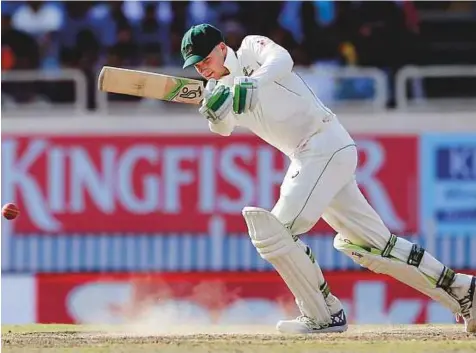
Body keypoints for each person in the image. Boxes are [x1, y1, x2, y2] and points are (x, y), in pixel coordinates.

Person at [180, 23, 476, 334]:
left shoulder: (252, 48)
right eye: (195, 65)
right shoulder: (218, 90)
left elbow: (283, 61)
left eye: (205, 59)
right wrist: (214, 115)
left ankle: (323, 314)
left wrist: (252, 83)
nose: (202, 67)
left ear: (223, 48)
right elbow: (224, 128)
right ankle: (464, 290)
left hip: (323, 142)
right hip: (316, 156)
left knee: (275, 232)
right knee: (373, 247)